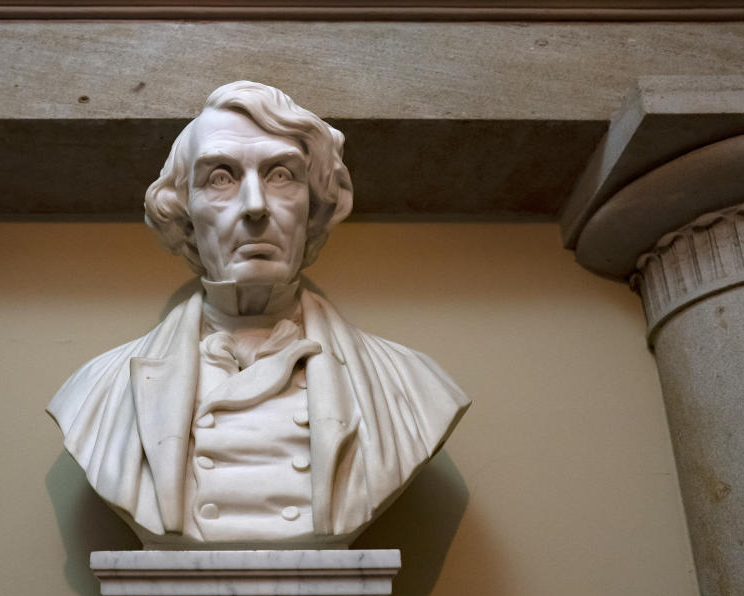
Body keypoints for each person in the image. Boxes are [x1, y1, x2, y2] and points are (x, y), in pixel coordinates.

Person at [49, 81, 468, 548]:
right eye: (221, 178)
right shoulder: (99, 389)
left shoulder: (409, 386)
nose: (255, 207)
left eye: (281, 175)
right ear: (185, 214)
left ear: (314, 207)